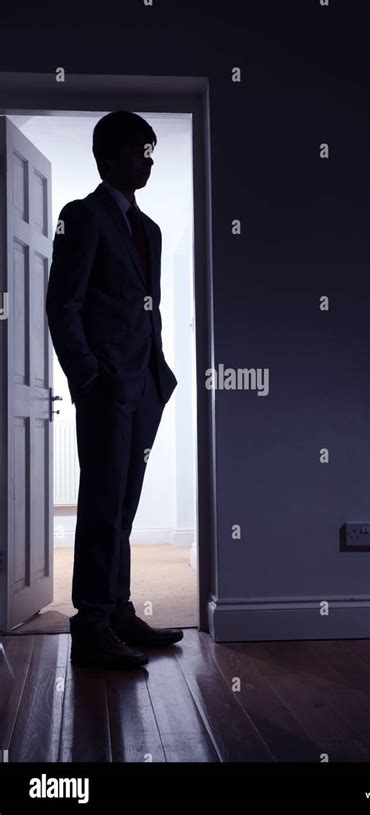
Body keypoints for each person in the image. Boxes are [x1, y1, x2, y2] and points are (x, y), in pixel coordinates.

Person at [46, 111, 183, 669]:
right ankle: (92, 625)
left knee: (123, 507)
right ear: (108, 156)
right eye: (137, 151)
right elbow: (63, 304)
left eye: (151, 151)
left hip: (146, 387)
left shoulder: (147, 229)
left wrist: (159, 373)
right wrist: (89, 380)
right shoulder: (81, 217)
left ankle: (120, 611)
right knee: (102, 505)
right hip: (106, 390)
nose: (147, 160)